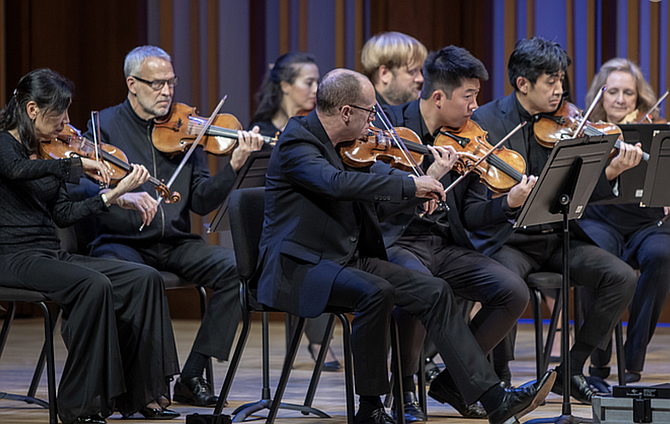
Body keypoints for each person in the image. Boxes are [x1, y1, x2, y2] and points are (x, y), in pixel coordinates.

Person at [257, 67, 555, 424]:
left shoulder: (350, 146)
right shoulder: (296, 141)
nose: (374, 121)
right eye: (370, 112)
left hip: (345, 259)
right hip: (301, 267)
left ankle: (493, 399)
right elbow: (335, 183)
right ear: (347, 112)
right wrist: (410, 187)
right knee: (376, 292)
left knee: (435, 291)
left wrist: (423, 181)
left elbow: (380, 177)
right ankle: (371, 406)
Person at [78, 45, 264, 407]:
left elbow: (200, 200)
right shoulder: (105, 126)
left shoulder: (186, 129)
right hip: (122, 240)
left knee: (238, 269)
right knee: (136, 278)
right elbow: (91, 190)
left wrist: (233, 168)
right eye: (157, 84)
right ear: (132, 84)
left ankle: (193, 374)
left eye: (171, 83)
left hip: (175, 242)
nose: (167, 92)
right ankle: (143, 382)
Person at [0, 68, 180, 423]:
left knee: (144, 278)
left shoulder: (48, 153)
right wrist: (75, 165)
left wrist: (112, 195)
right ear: (32, 109)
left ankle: (140, 395)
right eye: (59, 114)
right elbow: (17, 171)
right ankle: (78, 405)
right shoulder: (4, 146)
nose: (66, 123)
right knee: (92, 285)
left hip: (47, 253)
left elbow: (64, 213)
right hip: (11, 255)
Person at [471, 37, 643, 405]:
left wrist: (610, 170)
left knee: (621, 276)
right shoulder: (486, 121)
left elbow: (579, 191)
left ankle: (572, 367)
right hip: (509, 239)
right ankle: (500, 379)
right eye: (551, 82)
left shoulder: (566, 120)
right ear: (523, 84)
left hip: (555, 237)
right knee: (506, 284)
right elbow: (478, 196)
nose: (560, 90)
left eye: (561, 80)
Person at [378, 45, 537, 422]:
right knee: (420, 287)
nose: (474, 106)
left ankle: (452, 383)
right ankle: (403, 395)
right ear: (438, 96)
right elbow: (376, 203)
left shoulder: (468, 140)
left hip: (443, 246)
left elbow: (471, 215)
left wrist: (509, 204)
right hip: (397, 241)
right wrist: (425, 182)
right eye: (468, 96)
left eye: (476, 96)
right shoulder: (391, 129)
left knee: (513, 292)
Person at [249, 51, 344, 370]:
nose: (317, 88)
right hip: (273, 220)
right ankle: (318, 341)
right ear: (286, 86)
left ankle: (317, 338)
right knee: (304, 245)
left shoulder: (314, 128)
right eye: (309, 81)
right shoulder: (260, 130)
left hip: (303, 216)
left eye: (319, 80)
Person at [578, 58, 670, 384]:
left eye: (628, 93)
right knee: (592, 256)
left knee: (662, 255)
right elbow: (577, 188)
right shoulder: (586, 131)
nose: (620, 99)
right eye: (613, 91)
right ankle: (598, 358)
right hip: (600, 220)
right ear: (600, 95)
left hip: (648, 223)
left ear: (638, 97)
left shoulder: (655, 128)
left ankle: (633, 361)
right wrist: (614, 168)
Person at [361, 31, 427, 107]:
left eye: (420, 70)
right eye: (411, 72)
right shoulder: (367, 115)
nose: (420, 78)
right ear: (384, 74)